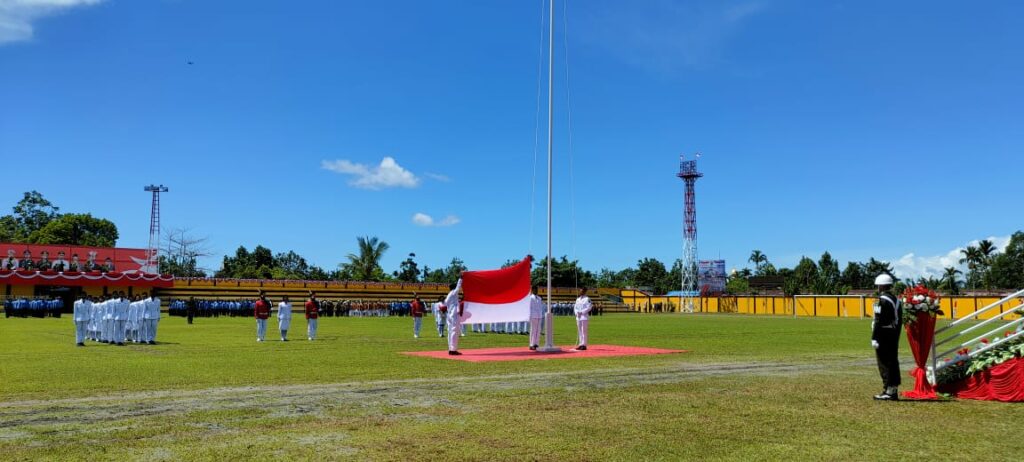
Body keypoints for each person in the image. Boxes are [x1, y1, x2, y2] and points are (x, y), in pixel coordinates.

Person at [871, 274, 902, 401]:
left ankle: (887, 391)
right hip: (893, 334)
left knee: (884, 363)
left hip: (883, 335)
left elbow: (878, 321)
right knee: (893, 362)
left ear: (881, 286)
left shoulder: (882, 300)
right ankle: (893, 390)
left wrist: (874, 337)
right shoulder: (897, 300)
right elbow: (899, 321)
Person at [445, 279, 463, 355]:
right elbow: (458, 287)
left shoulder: (449, 295)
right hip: (454, 314)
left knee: (450, 331)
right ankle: (453, 350)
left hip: (449, 314)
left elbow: (445, 303)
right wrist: (461, 278)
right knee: (454, 331)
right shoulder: (453, 293)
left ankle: (450, 348)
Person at [528, 285, 545, 350]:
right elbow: (529, 308)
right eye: (535, 289)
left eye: (537, 289)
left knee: (538, 330)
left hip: (539, 316)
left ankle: (536, 344)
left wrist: (540, 314)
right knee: (533, 330)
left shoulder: (539, 298)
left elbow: (540, 307)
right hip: (533, 315)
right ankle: (531, 344)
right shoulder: (530, 298)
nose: (536, 291)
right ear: (532, 290)